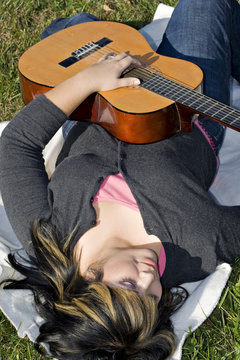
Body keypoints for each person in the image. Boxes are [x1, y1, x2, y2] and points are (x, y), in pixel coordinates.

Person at [0, 0, 240, 359]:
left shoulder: (49, 238)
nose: (149, 279)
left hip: (97, 106)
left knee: (69, 34)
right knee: (203, 4)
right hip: (189, 109)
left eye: (129, 284)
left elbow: (16, 146)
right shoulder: (200, 243)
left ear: (87, 280)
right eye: (151, 299)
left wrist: (88, 79)